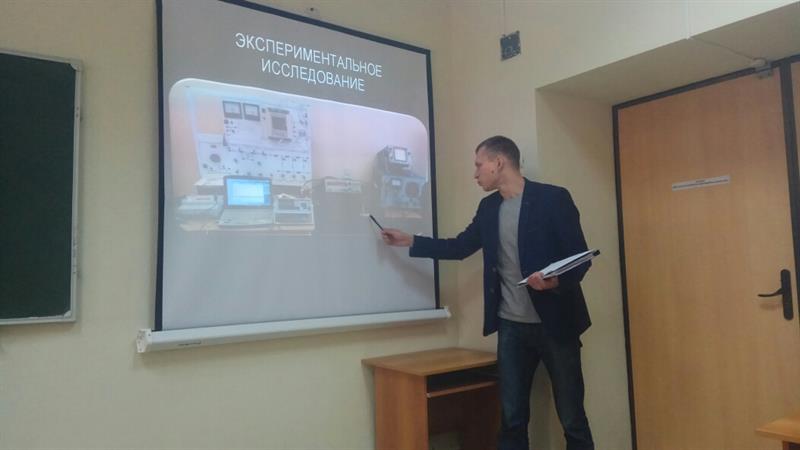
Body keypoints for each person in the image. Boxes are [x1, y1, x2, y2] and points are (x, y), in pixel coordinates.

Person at [380, 136, 594, 450]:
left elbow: (580, 259)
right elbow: (459, 247)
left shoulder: (553, 199)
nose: (475, 174)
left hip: (556, 325)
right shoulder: (489, 208)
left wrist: (554, 282)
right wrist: (411, 240)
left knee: (572, 418)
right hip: (511, 328)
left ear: (499, 162)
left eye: (479, 165)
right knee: (511, 419)